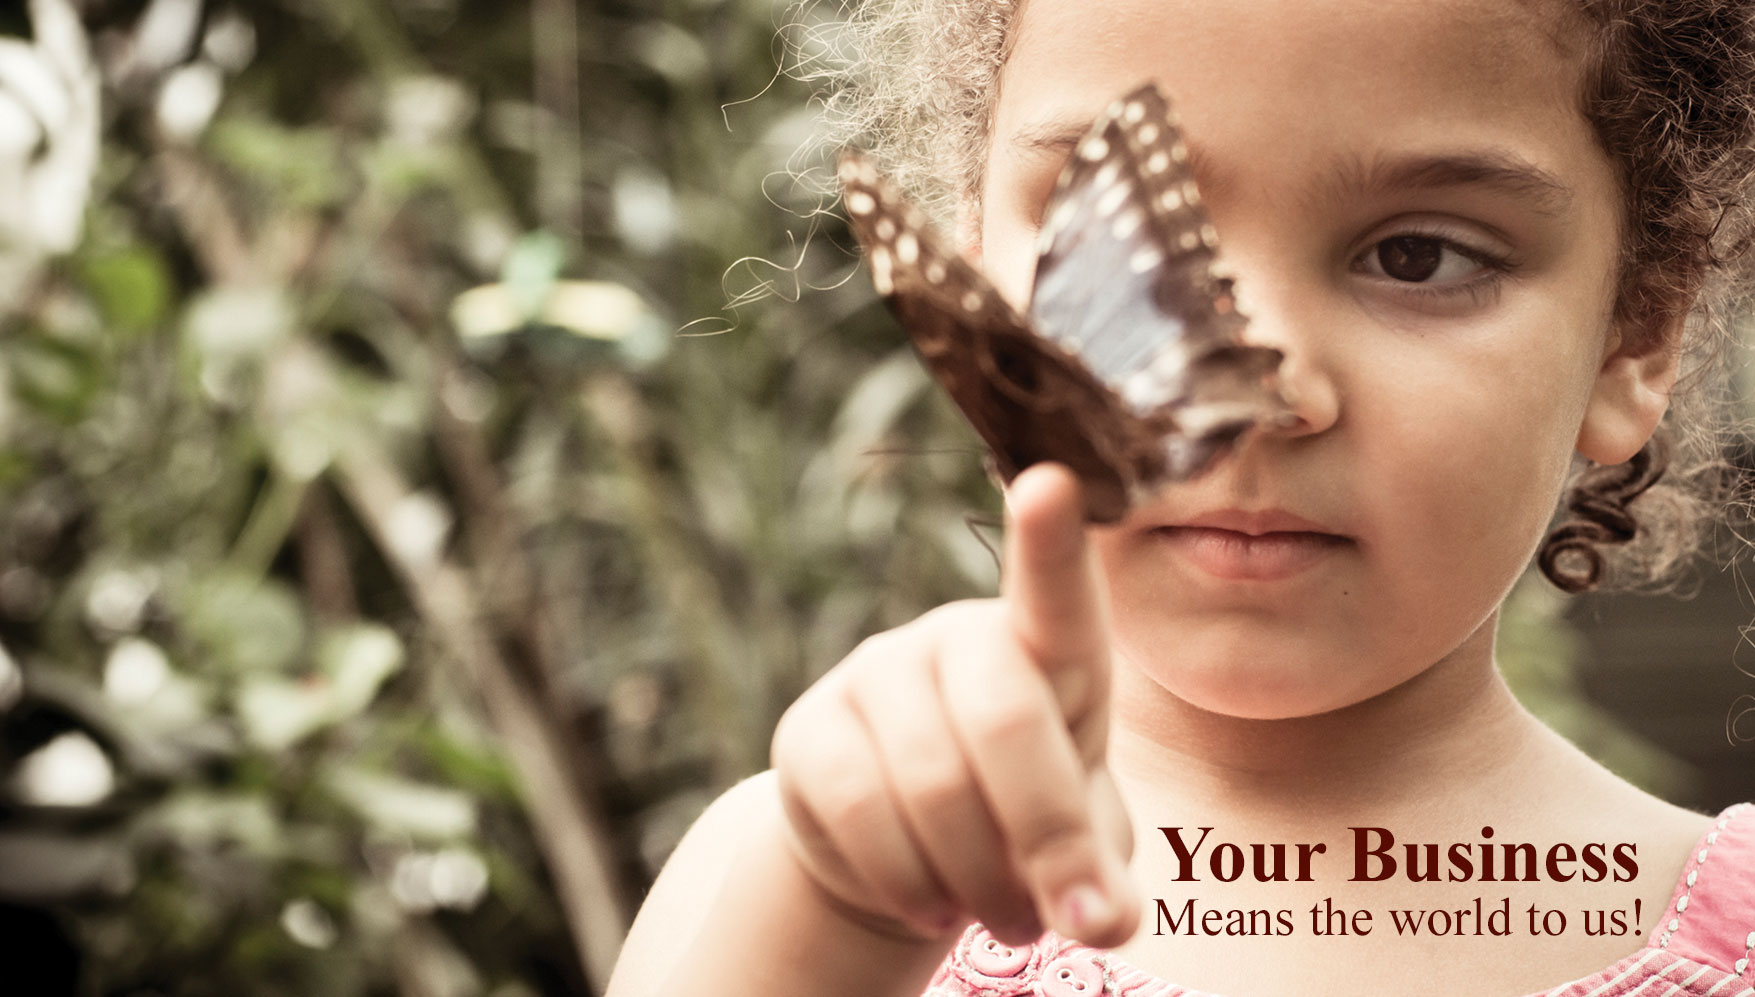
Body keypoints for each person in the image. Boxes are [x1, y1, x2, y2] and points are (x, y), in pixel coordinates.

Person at [607, 0, 1755, 994]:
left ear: (1635, 329)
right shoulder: (793, 882)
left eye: (1417, 257)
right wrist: (840, 924)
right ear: (980, 288)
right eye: (1128, 244)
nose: (1253, 389)